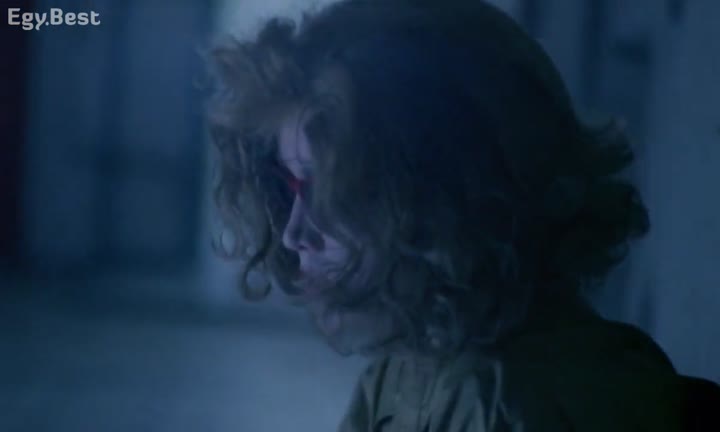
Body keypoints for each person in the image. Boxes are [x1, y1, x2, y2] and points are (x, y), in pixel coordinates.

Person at [205, 0, 695, 430]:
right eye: (292, 187)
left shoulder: (504, 404)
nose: (293, 234)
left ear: (448, 198)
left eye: (332, 190)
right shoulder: (408, 368)